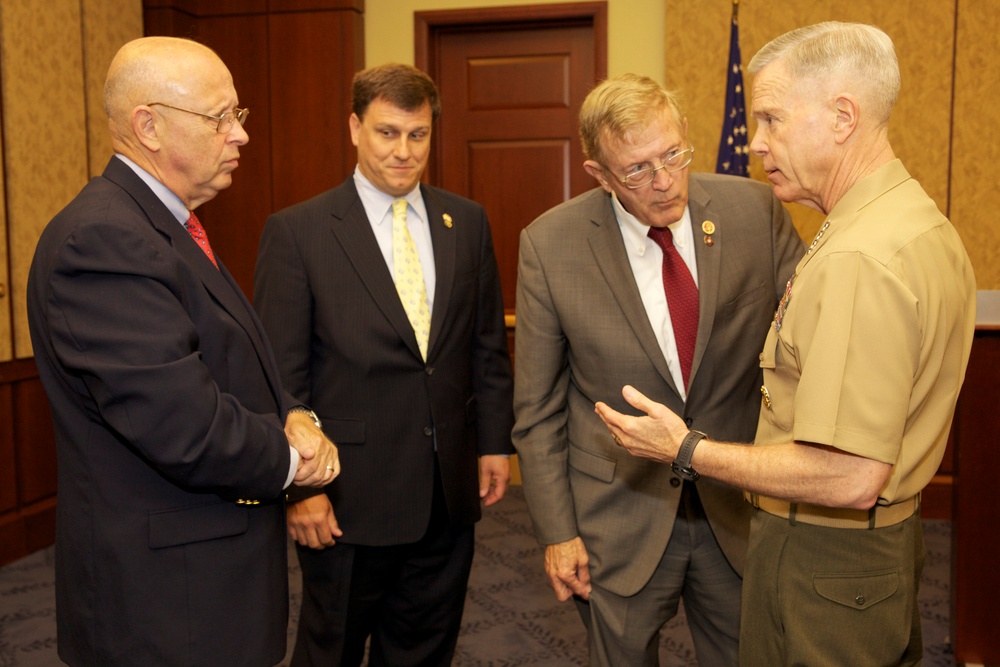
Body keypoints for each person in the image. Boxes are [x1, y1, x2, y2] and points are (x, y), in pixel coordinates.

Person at [596, 22, 976, 667]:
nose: (757, 143)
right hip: (876, 547)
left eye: (772, 118)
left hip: (825, 560)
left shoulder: (859, 256)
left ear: (842, 117)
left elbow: (849, 473)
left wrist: (684, 447)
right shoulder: (911, 219)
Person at [26, 37, 340, 667]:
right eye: (220, 118)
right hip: (166, 608)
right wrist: (292, 460)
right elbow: (181, 424)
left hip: (202, 582)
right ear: (150, 127)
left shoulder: (165, 225)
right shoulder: (104, 240)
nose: (241, 136)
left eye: (239, 116)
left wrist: (295, 414)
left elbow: (236, 364)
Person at [512, 73, 803, 666]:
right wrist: (558, 532)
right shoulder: (550, 244)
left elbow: (809, 340)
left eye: (672, 154)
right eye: (637, 170)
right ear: (599, 174)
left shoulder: (754, 211)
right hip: (617, 519)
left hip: (736, 508)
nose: (665, 181)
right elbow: (538, 409)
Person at [253, 63, 515, 667]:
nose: (403, 151)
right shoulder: (299, 232)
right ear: (354, 128)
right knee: (331, 651)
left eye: (417, 135)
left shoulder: (466, 221)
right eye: (387, 133)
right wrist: (298, 488)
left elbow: (484, 347)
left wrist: (494, 443)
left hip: (446, 496)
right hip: (346, 500)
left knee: (425, 650)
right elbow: (279, 380)